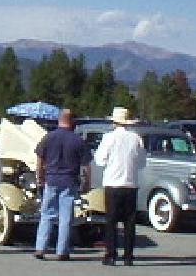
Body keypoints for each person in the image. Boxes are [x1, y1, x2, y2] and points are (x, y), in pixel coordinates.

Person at [34, 109, 91, 261]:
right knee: (65, 218)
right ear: (72, 121)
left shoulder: (48, 137)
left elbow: (39, 159)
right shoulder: (78, 140)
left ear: (59, 120)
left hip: (51, 179)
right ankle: (62, 251)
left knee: (47, 214)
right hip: (69, 180)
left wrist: (39, 177)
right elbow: (86, 166)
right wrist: (87, 183)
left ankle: (40, 248)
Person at [94, 107, 147, 267]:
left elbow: (100, 160)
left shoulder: (108, 138)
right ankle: (128, 256)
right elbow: (142, 162)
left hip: (113, 183)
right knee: (130, 221)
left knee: (111, 221)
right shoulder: (136, 138)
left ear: (114, 122)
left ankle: (111, 255)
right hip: (130, 184)